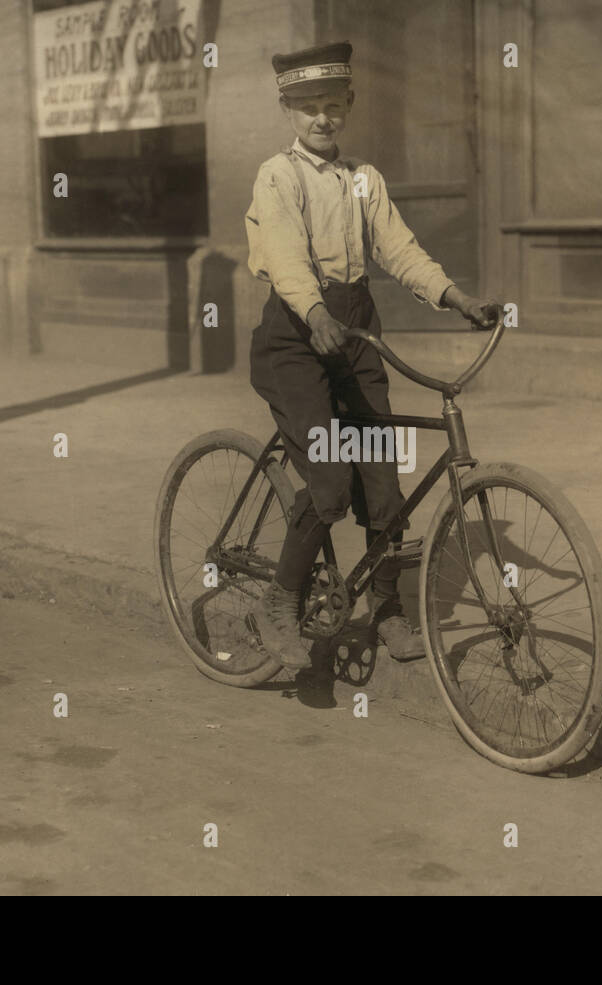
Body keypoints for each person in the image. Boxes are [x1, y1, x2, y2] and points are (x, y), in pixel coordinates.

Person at [245, 41, 500, 669]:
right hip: (297, 336)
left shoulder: (365, 179)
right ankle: (279, 601)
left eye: (332, 105)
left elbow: (399, 249)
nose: (322, 118)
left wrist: (455, 296)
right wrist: (313, 312)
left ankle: (385, 608)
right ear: (287, 109)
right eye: (308, 107)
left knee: (383, 480)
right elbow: (283, 257)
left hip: (355, 330)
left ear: (349, 105)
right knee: (330, 478)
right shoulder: (279, 175)